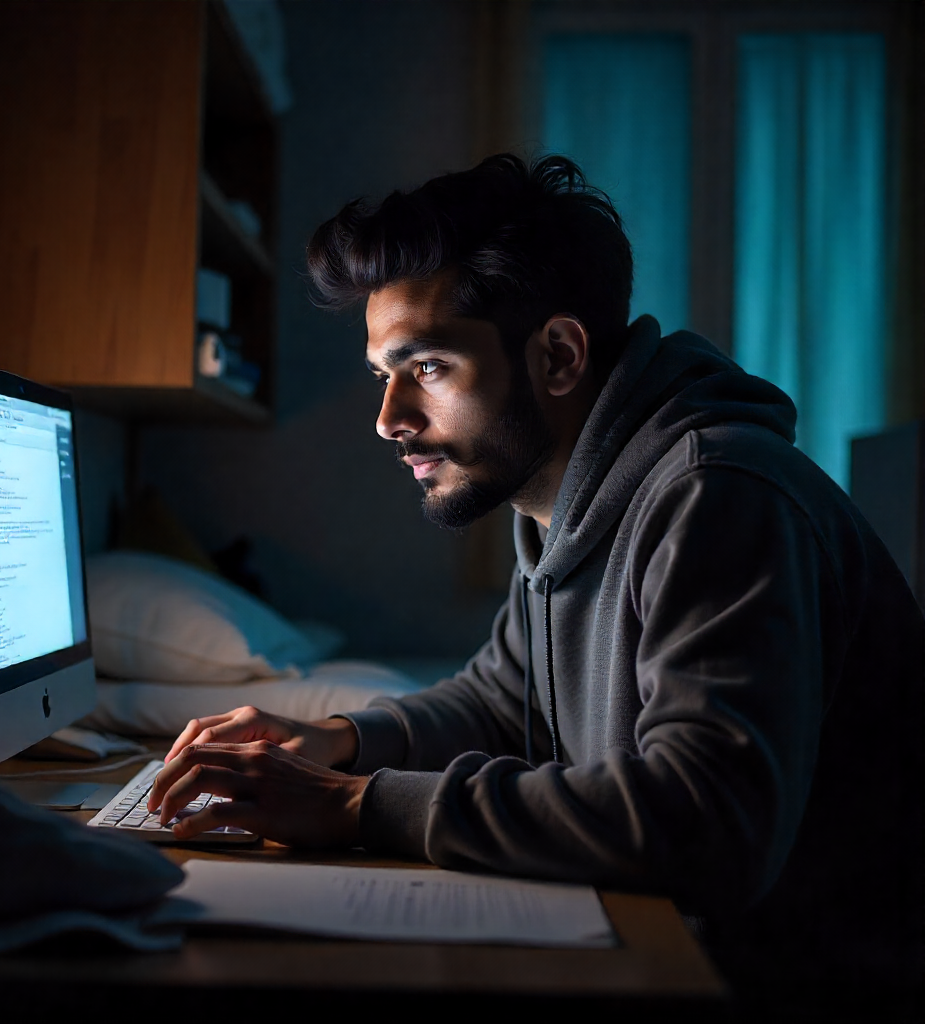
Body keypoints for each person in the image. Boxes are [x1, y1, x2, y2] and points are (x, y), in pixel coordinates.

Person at [148, 155, 922, 1004]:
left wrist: (356, 805)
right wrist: (337, 741)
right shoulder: (559, 499)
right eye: (384, 375)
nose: (388, 420)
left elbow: (708, 822)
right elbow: (499, 699)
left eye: (429, 367)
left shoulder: (718, 496)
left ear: (558, 355)